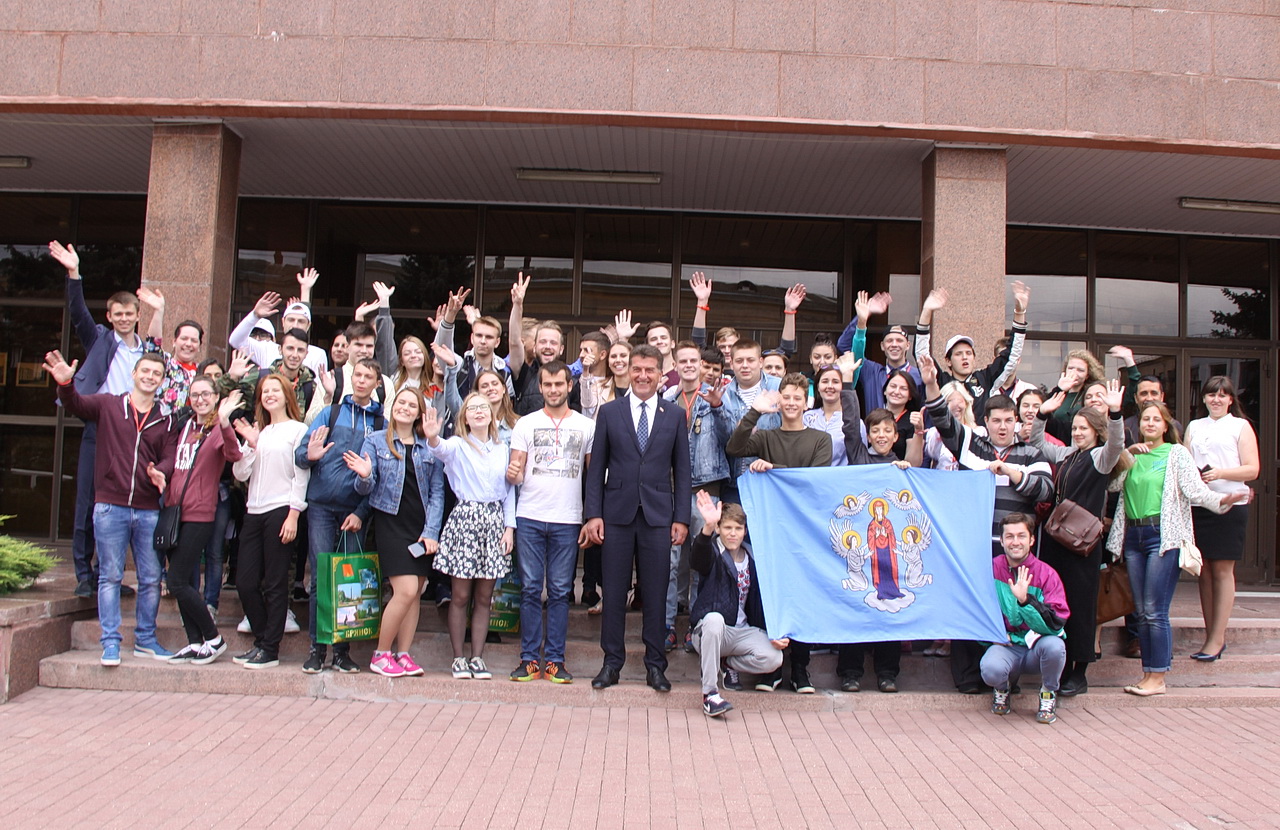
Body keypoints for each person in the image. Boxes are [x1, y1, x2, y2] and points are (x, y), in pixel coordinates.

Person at [920, 352, 1054, 694]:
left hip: (1014, 555)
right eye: (996, 421)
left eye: (1009, 420)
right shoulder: (971, 446)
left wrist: (1010, 472)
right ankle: (968, 679)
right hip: (975, 549)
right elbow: (941, 418)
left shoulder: (1031, 455)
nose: (1003, 426)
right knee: (969, 611)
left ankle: (1007, 677)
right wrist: (932, 382)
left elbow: (1045, 489)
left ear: (1017, 422)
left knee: (1011, 613)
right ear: (987, 421)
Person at [1105, 401, 1249, 696]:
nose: (1150, 424)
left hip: (1162, 536)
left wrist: (1222, 502)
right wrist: (1126, 455)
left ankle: (1158, 676)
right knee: (1141, 611)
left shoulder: (1176, 453)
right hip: (1133, 536)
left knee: (1156, 610)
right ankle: (1147, 674)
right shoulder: (1132, 456)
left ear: (1166, 425)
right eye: (1145, 419)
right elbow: (1113, 486)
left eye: (1156, 420)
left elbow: (1195, 491)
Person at [45, 349, 177, 665]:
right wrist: (65, 384)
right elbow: (76, 403)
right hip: (110, 506)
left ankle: (145, 639)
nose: (149, 377)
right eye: (145, 371)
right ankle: (110, 642)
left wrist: (162, 470)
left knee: (150, 577)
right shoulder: (108, 405)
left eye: (156, 374)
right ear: (134, 374)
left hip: (147, 508)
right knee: (110, 577)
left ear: (161, 381)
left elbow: (170, 455)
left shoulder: (166, 418)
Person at [51, 240, 158, 599]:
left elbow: (161, 355)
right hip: (100, 426)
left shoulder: (145, 350)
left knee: (119, 504)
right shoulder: (99, 339)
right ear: (110, 317)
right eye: (118, 314)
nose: (125, 318)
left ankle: (104, 575)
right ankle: (84, 574)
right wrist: (74, 273)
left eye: (130, 313)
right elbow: (78, 311)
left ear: (136, 315)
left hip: (132, 434)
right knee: (88, 501)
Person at [583, 345, 691, 693]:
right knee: (613, 591)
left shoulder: (673, 414)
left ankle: (655, 666)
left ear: (661, 375)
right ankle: (611, 664)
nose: (643, 376)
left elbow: (683, 472)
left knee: (657, 593)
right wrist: (593, 514)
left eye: (650, 370)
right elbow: (596, 467)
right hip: (616, 513)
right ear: (629, 371)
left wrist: (682, 518)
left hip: (659, 516)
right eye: (637, 369)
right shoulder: (610, 412)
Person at [725, 371, 832, 693]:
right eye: (786, 397)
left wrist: (775, 470)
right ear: (779, 398)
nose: (791, 403)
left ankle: (800, 669)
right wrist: (756, 410)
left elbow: (816, 479)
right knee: (768, 595)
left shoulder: (819, 439)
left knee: (800, 596)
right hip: (769, 530)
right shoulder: (767, 437)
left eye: (797, 398)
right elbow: (735, 446)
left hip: (803, 530)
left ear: (806, 402)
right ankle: (771, 669)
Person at [1026, 379, 1127, 696]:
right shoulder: (1068, 455)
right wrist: (1042, 412)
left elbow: (1117, 445)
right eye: (1076, 427)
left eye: (1084, 428)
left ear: (1096, 431)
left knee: (1081, 607)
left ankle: (1078, 673)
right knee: (1057, 604)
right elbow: (1038, 441)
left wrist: (1115, 412)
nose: (1078, 432)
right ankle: (1061, 667)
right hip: (1057, 540)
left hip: (1083, 546)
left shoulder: (1100, 457)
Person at [295, 358, 386, 674]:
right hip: (321, 507)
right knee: (321, 577)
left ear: (377, 382)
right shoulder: (331, 412)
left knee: (349, 582)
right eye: (357, 375)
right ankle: (317, 649)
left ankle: (343, 651)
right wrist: (309, 455)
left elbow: (382, 476)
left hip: (355, 512)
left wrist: (361, 512)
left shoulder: (380, 423)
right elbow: (301, 455)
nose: (361, 380)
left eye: (368, 377)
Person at [506, 361, 595, 684]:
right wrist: (511, 473)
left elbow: (593, 475)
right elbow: (514, 470)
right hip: (529, 515)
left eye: (559, 384)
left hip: (568, 519)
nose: (554, 390)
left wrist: (590, 517)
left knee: (559, 591)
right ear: (540, 387)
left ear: (569, 386)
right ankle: (529, 659)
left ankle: (555, 660)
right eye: (548, 385)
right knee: (530, 589)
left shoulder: (587, 426)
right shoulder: (525, 424)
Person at [348, 387, 445, 678]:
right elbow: (365, 487)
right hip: (391, 522)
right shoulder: (376, 441)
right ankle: (381, 653)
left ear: (418, 413)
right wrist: (365, 476)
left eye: (411, 405)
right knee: (404, 590)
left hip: (421, 526)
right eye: (400, 402)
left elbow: (437, 493)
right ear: (392, 407)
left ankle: (403, 654)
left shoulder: (429, 447)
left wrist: (431, 532)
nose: (405, 408)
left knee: (417, 592)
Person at [425, 394, 517, 681]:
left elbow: (510, 491)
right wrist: (432, 438)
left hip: (494, 521)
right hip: (466, 519)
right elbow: (440, 448)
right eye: (472, 408)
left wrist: (509, 528)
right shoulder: (457, 446)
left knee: (485, 596)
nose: (478, 413)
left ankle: (477, 656)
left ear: (492, 416)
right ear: (464, 417)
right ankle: (458, 657)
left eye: (483, 408)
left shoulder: (503, 449)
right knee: (461, 594)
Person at [162, 380, 244, 665]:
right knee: (184, 581)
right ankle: (195, 642)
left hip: (200, 513)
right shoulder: (185, 427)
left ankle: (214, 638)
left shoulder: (217, 431)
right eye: (195, 394)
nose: (200, 399)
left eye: (206, 394)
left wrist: (224, 422)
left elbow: (234, 456)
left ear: (216, 398)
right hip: (175, 513)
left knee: (175, 581)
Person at [231, 374, 310, 669]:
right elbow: (241, 474)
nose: (270, 395)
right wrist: (251, 444)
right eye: (265, 391)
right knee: (246, 581)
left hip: (282, 509)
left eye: (276, 390)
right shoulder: (258, 432)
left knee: (276, 583)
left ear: (287, 395)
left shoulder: (297, 429)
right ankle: (263, 639)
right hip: (254, 510)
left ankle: (269, 648)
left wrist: (294, 513)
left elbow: (301, 474)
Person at [688, 493, 787, 718]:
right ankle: (710, 694)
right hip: (710, 632)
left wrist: (774, 634)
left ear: (745, 531)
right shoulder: (712, 550)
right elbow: (697, 560)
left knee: (774, 657)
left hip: (740, 632)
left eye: (738, 528)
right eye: (727, 528)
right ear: (720, 529)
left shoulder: (752, 557)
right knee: (714, 620)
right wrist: (707, 527)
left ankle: (729, 664)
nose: (733, 533)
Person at [663, 341, 733, 652]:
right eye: (684, 361)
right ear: (676, 365)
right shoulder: (665, 398)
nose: (690, 365)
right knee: (668, 563)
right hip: (669, 491)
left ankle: (697, 625)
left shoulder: (718, 395)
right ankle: (665, 626)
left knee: (702, 562)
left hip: (707, 490)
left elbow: (732, 439)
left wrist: (718, 407)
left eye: (695, 360)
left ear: (701, 364)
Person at [1185, 376, 1259, 662]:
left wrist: (1221, 474)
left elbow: (1252, 469)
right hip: (1200, 504)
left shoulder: (1240, 426)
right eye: (1211, 395)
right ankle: (1209, 634)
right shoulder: (1194, 426)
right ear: (1203, 398)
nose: (1216, 399)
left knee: (1222, 571)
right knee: (1203, 572)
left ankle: (1217, 639)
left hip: (1230, 504)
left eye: (1222, 395)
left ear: (1231, 399)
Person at [980, 513, 1070, 725]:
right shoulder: (990, 570)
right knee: (990, 669)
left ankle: (1048, 693)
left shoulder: (1047, 574)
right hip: (1007, 645)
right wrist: (991, 638)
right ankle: (1002, 687)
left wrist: (1025, 601)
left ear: (1031, 540)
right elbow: (976, 611)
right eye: (1009, 536)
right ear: (1001, 541)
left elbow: (1056, 622)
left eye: (1021, 536)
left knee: (1056, 647)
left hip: (1037, 647)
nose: (1015, 542)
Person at [914, 280, 1030, 413]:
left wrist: (1019, 313)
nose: (965, 357)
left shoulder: (985, 379)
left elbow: (1011, 355)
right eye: (958, 354)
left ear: (974, 358)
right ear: (948, 361)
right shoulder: (941, 380)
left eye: (969, 353)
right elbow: (922, 354)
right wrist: (927, 311)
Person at [712, 339, 781, 505]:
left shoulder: (778, 388)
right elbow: (726, 440)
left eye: (750, 360)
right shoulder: (723, 393)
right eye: (739, 361)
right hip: (734, 484)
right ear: (731, 363)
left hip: (771, 481)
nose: (745, 365)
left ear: (760, 362)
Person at [228, 281, 328, 376]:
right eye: (291, 320)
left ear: (308, 325)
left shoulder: (318, 354)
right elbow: (235, 341)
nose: (295, 325)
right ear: (283, 322)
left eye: (301, 321)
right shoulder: (267, 349)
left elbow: (318, 389)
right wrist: (255, 316)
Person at [1045, 346, 1142, 442]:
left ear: (1087, 374)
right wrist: (1059, 388)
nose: (1074, 373)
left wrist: (1129, 361)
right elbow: (1041, 410)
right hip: (1058, 444)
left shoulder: (1093, 395)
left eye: (1080, 370)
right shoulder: (1058, 393)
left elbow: (1133, 392)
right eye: (1071, 368)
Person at [306, 321, 395, 422]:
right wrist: (328, 399)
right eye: (358, 345)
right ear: (347, 347)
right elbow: (309, 422)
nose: (364, 350)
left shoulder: (385, 384)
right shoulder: (332, 378)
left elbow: (390, 426)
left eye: (369, 346)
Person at [139, 287, 204, 418]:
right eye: (184, 339)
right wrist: (158, 312)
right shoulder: (166, 362)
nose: (188, 344)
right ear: (174, 341)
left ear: (199, 346)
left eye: (193, 340)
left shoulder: (202, 371)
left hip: (191, 431)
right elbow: (153, 345)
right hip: (164, 426)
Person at [580, 340, 631, 420]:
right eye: (613, 356)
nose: (618, 360)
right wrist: (586, 370)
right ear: (608, 362)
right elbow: (587, 405)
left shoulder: (641, 388)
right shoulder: (598, 387)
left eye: (623, 356)